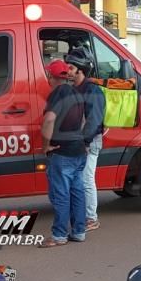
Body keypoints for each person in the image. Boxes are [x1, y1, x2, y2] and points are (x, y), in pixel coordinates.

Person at [38, 51, 103, 247]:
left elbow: (49, 119)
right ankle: (79, 231)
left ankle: (58, 235)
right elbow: (84, 120)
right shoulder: (77, 92)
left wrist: (45, 145)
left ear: (51, 76)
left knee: (61, 195)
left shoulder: (58, 93)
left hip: (62, 152)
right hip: (78, 151)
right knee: (77, 191)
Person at [65, 50, 106, 232]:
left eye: (71, 68)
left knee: (87, 179)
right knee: (79, 180)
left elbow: (94, 120)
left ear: (80, 70)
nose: (68, 71)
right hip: (78, 141)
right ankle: (83, 216)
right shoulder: (74, 90)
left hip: (89, 142)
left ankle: (91, 218)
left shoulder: (93, 91)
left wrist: (86, 143)